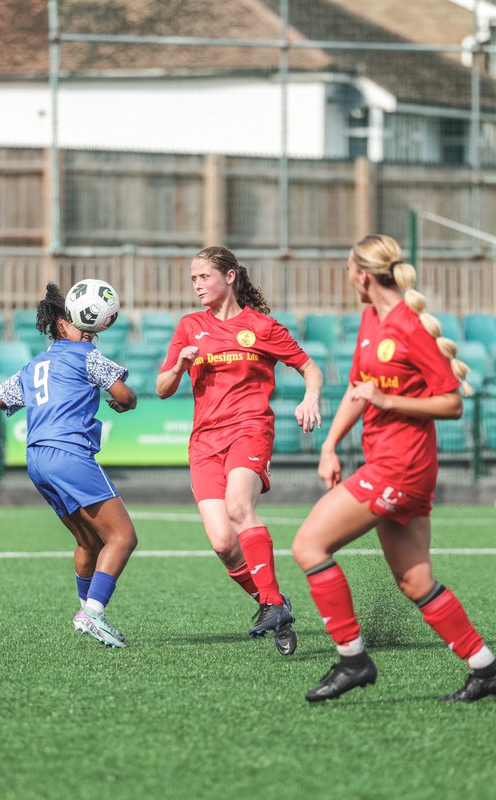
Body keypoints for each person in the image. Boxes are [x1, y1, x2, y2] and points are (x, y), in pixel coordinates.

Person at [292, 234, 496, 703]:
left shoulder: (410, 327)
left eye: (349, 270)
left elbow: (452, 402)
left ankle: (353, 661)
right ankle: (485, 668)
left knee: (309, 544)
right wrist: (330, 444)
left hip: (401, 467)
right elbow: (358, 386)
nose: (348, 279)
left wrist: (388, 399)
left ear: (363, 275)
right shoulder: (372, 319)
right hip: (388, 463)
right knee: (415, 581)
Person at [0, 283, 139, 648]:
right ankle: (92, 614)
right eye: (77, 321)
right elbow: (125, 396)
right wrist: (123, 401)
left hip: (37, 459)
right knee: (122, 537)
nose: (85, 327)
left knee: (88, 541)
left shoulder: (34, 366)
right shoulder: (86, 355)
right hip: (69, 454)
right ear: (62, 322)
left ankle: (86, 613)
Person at [157, 246, 323, 656]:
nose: (196, 285)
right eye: (193, 278)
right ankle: (274, 603)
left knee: (238, 508)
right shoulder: (189, 326)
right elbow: (162, 390)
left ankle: (270, 602)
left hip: (250, 430)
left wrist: (311, 398)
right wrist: (179, 364)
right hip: (204, 443)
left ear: (229, 276)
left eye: (203, 277)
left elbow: (309, 367)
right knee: (221, 543)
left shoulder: (261, 327)